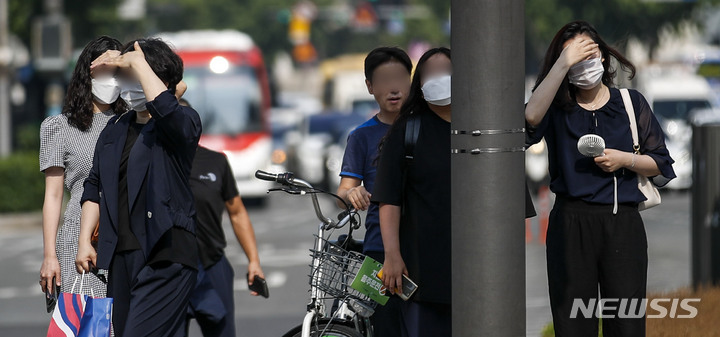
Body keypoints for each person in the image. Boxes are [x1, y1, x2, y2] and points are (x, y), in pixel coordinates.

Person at [525, 21, 676, 337]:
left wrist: (625, 159)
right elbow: (530, 118)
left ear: (604, 57)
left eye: (589, 53)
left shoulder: (630, 104)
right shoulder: (556, 107)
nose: (584, 63)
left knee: (626, 323)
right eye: (573, 56)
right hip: (570, 224)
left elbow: (660, 162)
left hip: (622, 224)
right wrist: (563, 62)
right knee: (573, 324)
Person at [75, 38, 202, 337]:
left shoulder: (182, 121)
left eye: (132, 74)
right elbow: (94, 186)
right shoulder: (115, 128)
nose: (125, 83)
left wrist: (137, 61)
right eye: (124, 76)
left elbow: (168, 109)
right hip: (121, 257)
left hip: (165, 254)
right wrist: (84, 240)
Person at [371, 47, 452, 337]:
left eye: (446, 72)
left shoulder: (482, 130)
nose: (439, 79)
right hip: (421, 272)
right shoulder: (408, 130)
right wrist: (392, 255)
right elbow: (389, 198)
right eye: (430, 74)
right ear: (418, 83)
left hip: (475, 271)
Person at [39, 36, 126, 298]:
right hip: (79, 238)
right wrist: (49, 255)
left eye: (117, 72)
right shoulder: (59, 127)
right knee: (86, 323)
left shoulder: (133, 123)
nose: (111, 79)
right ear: (86, 74)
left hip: (126, 235)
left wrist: (129, 60)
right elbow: (53, 196)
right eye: (104, 71)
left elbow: (177, 88)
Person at [335, 46, 412, 337]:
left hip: (424, 245)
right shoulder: (362, 136)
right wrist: (351, 195)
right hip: (380, 250)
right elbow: (344, 191)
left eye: (400, 79)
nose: (393, 88)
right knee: (386, 328)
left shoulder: (426, 126)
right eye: (382, 81)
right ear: (370, 86)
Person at [179, 98, 266, 337]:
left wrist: (254, 261)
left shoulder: (216, 161)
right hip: (171, 269)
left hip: (212, 264)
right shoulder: (155, 162)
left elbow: (237, 213)